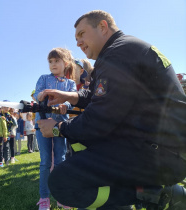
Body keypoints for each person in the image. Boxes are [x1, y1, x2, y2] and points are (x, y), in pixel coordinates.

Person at [37, 10, 186, 210]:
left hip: (162, 154)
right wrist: (67, 96)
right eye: (76, 38)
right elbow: (94, 95)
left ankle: (160, 196)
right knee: (83, 150)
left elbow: (100, 118)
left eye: (82, 34)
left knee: (62, 183)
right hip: (162, 148)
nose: (78, 43)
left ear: (102, 27)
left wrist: (57, 128)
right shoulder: (123, 49)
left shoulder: (117, 54)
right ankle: (144, 193)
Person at [34, 47, 77, 210]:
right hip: (43, 125)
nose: (53, 64)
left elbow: (71, 100)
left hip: (60, 127)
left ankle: (61, 196)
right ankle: (44, 198)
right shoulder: (43, 79)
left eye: (56, 61)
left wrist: (64, 105)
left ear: (65, 63)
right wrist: (40, 95)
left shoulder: (70, 83)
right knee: (45, 161)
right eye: (50, 61)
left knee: (60, 160)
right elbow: (36, 94)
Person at [0, 100, 16, 165]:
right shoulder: (0, 114)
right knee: (2, 147)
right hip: (2, 133)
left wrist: (13, 118)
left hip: (9, 134)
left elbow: (14, 124)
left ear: (9, 108)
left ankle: (10, 159)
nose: (6, 108)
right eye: (4, 107)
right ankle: (2, 158)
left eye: (7, 107)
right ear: (2, 107)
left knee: (9, 146)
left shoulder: (10, 116)